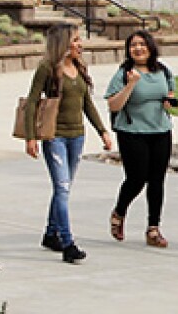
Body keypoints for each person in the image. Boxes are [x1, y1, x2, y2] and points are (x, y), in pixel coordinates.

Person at [23, 24, 112, 264]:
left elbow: (87, 104)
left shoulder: (79, 68)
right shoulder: (47, 69)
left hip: (77, 136)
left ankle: (51, 233)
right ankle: (67, 242)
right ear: (63, 43)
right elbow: (32, 103)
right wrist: (31, 137)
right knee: (62, 188)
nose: (80, 44)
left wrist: (102, 131)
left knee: (64, 187)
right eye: (75, 40)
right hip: (55, 137)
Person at [105, 30, 176, 249]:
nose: (138, 48)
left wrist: (169, 102)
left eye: (142, 44)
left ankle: (153, 228)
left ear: (150, 47)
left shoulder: (162, 70)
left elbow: (170, 93)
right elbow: (113, 105)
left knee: (157, 180)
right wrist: (131, 85)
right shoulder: (124, 73)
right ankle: (119, 212)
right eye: (133, 45)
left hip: (160, 130)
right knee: (136, 178)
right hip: (132, 131)